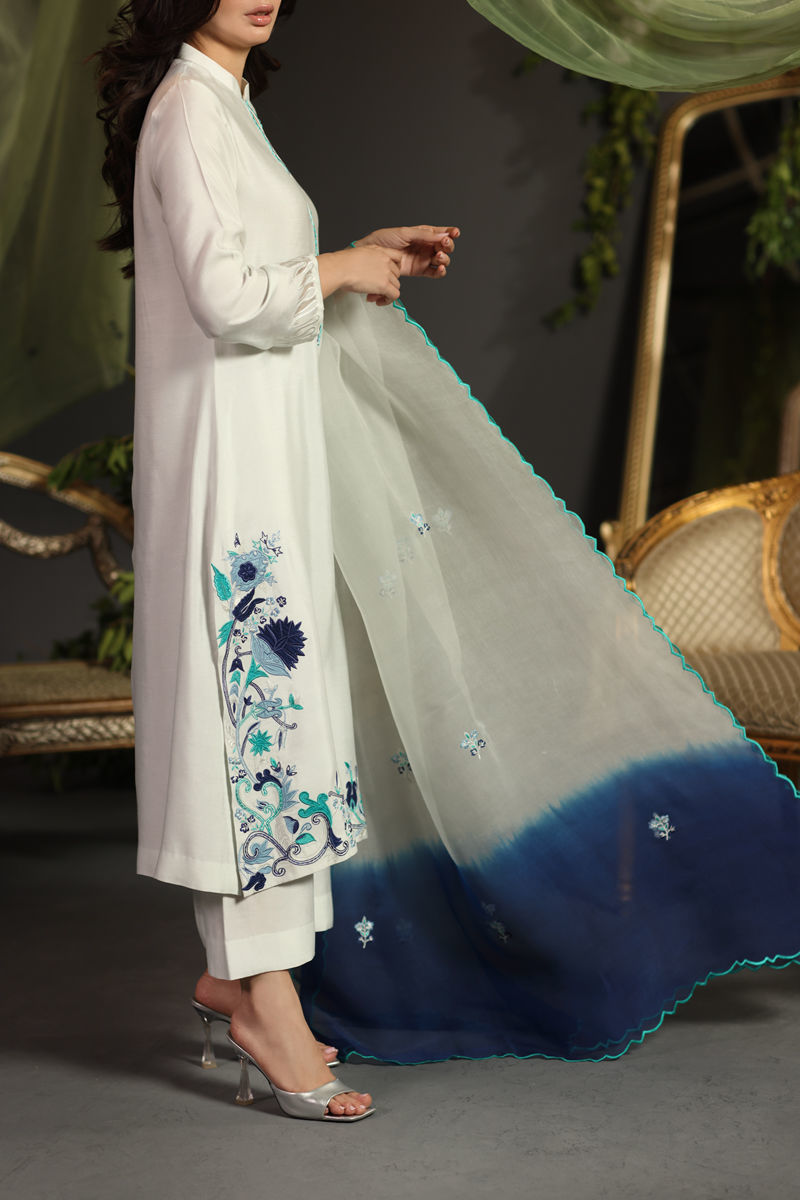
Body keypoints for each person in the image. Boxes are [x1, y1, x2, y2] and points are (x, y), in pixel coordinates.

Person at [98, 0, 800, 1118]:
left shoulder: (224, 105)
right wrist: (341, 264)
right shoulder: (186, 108)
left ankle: (246, 982)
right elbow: (229, 300)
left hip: (267, 465)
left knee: (284, 721)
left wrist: (362, 256)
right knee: (255, 729)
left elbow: (258, 270)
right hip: (232, 479)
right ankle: (262, 998)